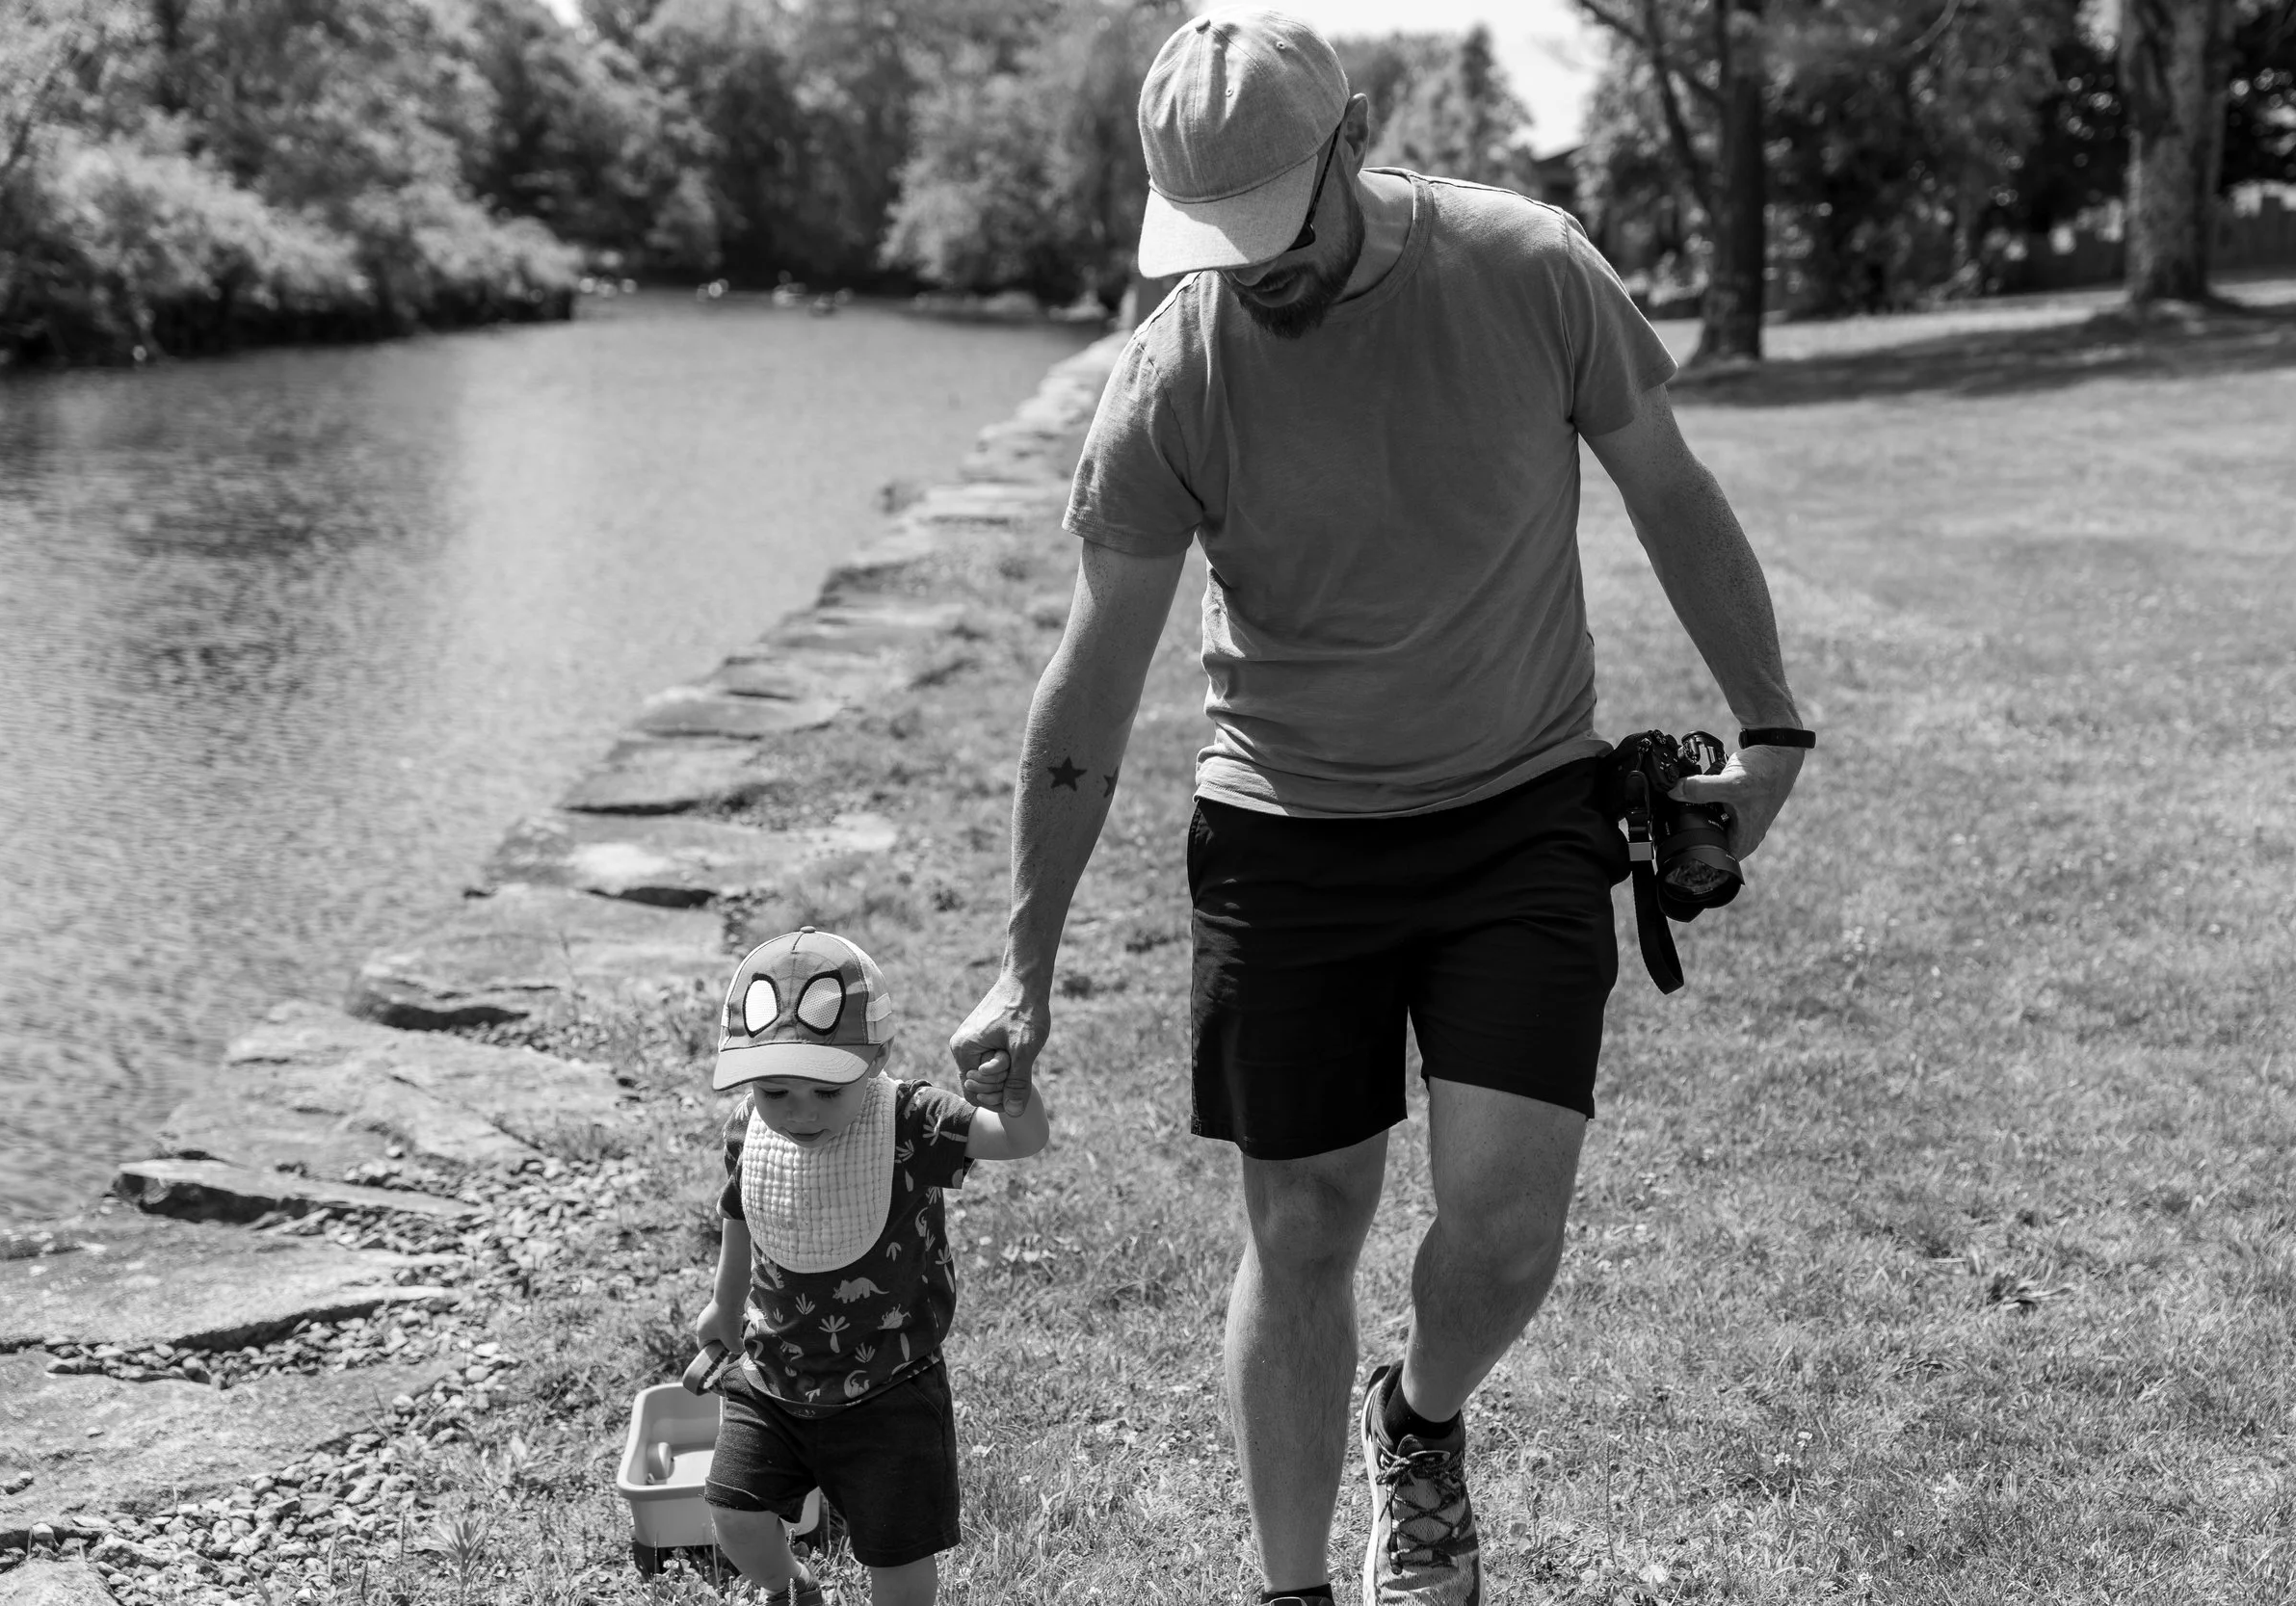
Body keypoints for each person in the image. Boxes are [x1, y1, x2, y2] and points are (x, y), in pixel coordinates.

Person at [949, 8, 1811, 1605]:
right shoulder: (1174, 372)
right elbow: (1091, 679)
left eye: (1272, 229)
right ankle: (1292, 1587)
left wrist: (1770, 724)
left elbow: (1670, 487)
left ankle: (1416, 1419)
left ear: (1354, 141)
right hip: (1285, 837)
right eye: (1212, 239)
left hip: (1517, 807)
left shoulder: (1527, 268)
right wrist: (1024, 960)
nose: (1248, 271)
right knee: (1305, 1224)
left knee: (1506, 1227)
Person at [699, 928, 1050, 1606]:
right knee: (733, 1513)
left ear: (876, 1057)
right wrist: (724, 1302)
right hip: (773, 1373)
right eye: (775, 1090)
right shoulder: (750, 1128)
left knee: (899, 1560)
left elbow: (1021, 1138)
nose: (800, 1112)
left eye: (826, 1091)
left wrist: (1011, 1088)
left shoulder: (910, 1120)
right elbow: (743, 1210)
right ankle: (790, 1588)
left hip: (891, 1385)